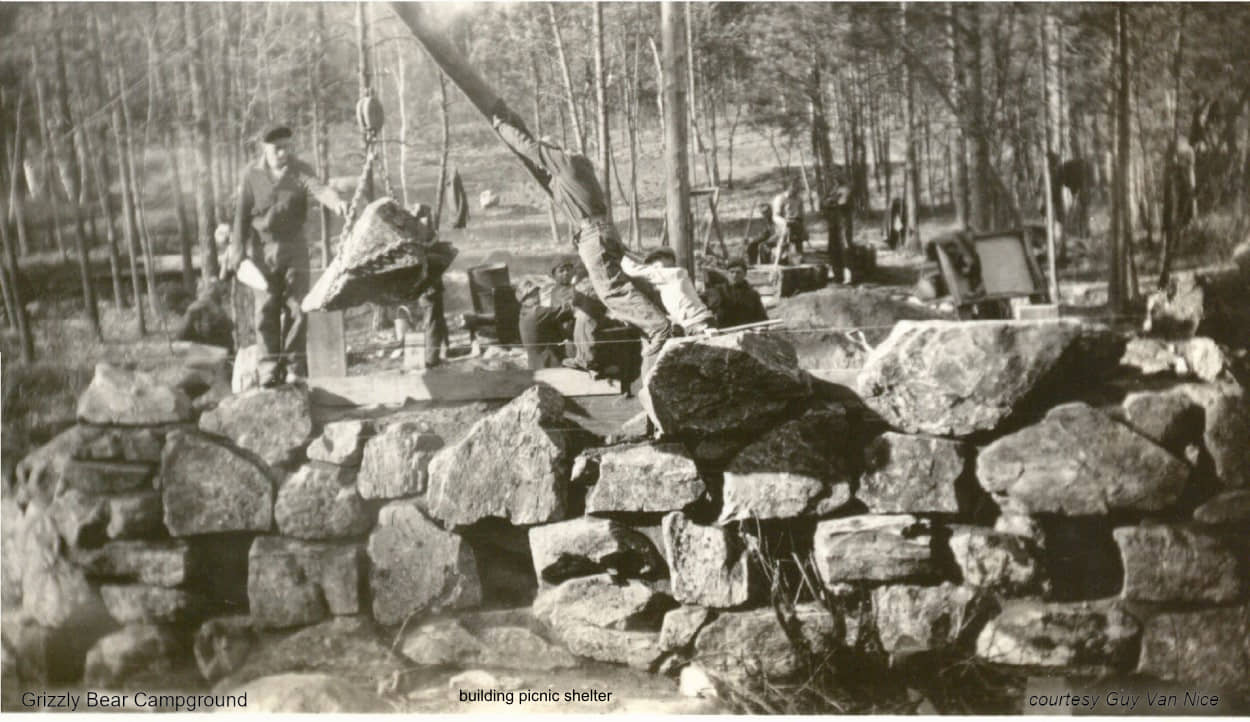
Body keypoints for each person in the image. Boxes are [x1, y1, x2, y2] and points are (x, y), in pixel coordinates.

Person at [489, 104, 673, 379]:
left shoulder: (566, 162)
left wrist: (501, 125)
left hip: (594, 235)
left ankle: (658, 327)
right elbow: (542, 170)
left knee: (612, 290)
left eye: (547, 157)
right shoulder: (573, 174)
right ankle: (629, 337)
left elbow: (529, 148)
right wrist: (515, 118)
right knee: (606, 291)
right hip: (600, 232)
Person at [224, 125, 347, 386]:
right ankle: (268, 369)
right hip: (262, 252)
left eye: (286, 147)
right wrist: (237, 255)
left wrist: (337, 203)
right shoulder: (251, 175)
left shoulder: (299, 170)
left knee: (297, 309)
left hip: (294, 249)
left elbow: (319, 189)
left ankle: (294, 368)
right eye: (277, 148)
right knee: (266, 310)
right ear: (265, 149)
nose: (283, 153)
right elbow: (241, 218)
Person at [620, 247, 714, 335]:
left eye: (657, 259)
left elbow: (632, 270)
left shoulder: (674, 273)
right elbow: (645, 267)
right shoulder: (669, 278)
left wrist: (619, 254)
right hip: (696, 322)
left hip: (698, 323)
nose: (654, 264)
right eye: (651, 262)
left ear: (669, 259)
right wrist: (626, 253)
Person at [706, 257, 768, 329]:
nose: (735, 275)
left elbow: (762, 318)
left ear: (745, 274)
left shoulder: (752, 295)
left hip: (747, 334)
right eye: (732, 272)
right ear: (727, 273)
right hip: (724, 334)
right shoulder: (718, 291)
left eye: (738, 272)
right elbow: (702, 310)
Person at [176, 279, 235, 352]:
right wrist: (190, 313)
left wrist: (212, 306)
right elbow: (180, 337)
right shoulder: (194, 309)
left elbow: (230, 326)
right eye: (198, 290)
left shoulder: (218, 308)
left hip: (221, 352)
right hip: (203, 353)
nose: (197, 294)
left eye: (200, 290)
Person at [821, 175, 854, 283]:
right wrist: (831, 200)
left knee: (845, 247)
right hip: (833, 222)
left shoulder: (847, 189)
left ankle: (848, 276)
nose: (835, 180)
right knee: (833, 248)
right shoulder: (832, 189)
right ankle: (836, 274)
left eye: (837, 175)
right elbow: (823, 203)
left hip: (843, 222)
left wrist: (832, 201)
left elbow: (842, 202)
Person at [771, 179, 807, 257]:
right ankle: (781, 256)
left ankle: (799, 258)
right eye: (796, 188)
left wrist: (804, 227)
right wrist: (784, 223)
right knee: (785, 236)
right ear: (790, 187)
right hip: (783, 224)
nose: (798, 190)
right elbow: (775, 216)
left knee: (800, 235)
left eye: (799, 188)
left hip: (796, 224)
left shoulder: (799, 199)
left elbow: (801, 215)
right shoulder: (780, 198)